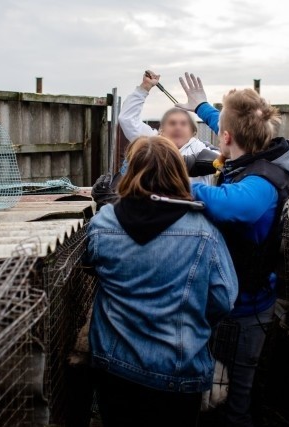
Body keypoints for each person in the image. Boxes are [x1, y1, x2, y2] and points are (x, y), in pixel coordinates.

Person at [177, 73, 289, 427]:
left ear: (229, 138)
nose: (219, 134)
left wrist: (174, 182)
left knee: (236, 395)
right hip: (227, 297)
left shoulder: (261, 183)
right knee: (214, 381)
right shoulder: (254, 149)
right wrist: (203, 107)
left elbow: (232, 205)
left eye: (221, 131)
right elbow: (230, 127)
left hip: (248, 307)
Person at [86, 135, 238, 427]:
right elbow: (224, 299)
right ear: (178, 173)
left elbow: (93, 265)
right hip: (178, 371)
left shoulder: (103, 223)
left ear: (130, 173)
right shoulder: (204, 230)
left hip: (114, 367)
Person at [118, 71, 216, 185]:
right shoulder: (152, 142)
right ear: (161, 130)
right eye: (172, 123)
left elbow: (229, 156)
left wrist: (203, 107)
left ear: (193, 132)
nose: (178, 127)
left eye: (183, 124)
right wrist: (144, 88)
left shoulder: (201, 149)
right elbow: (127, 119)